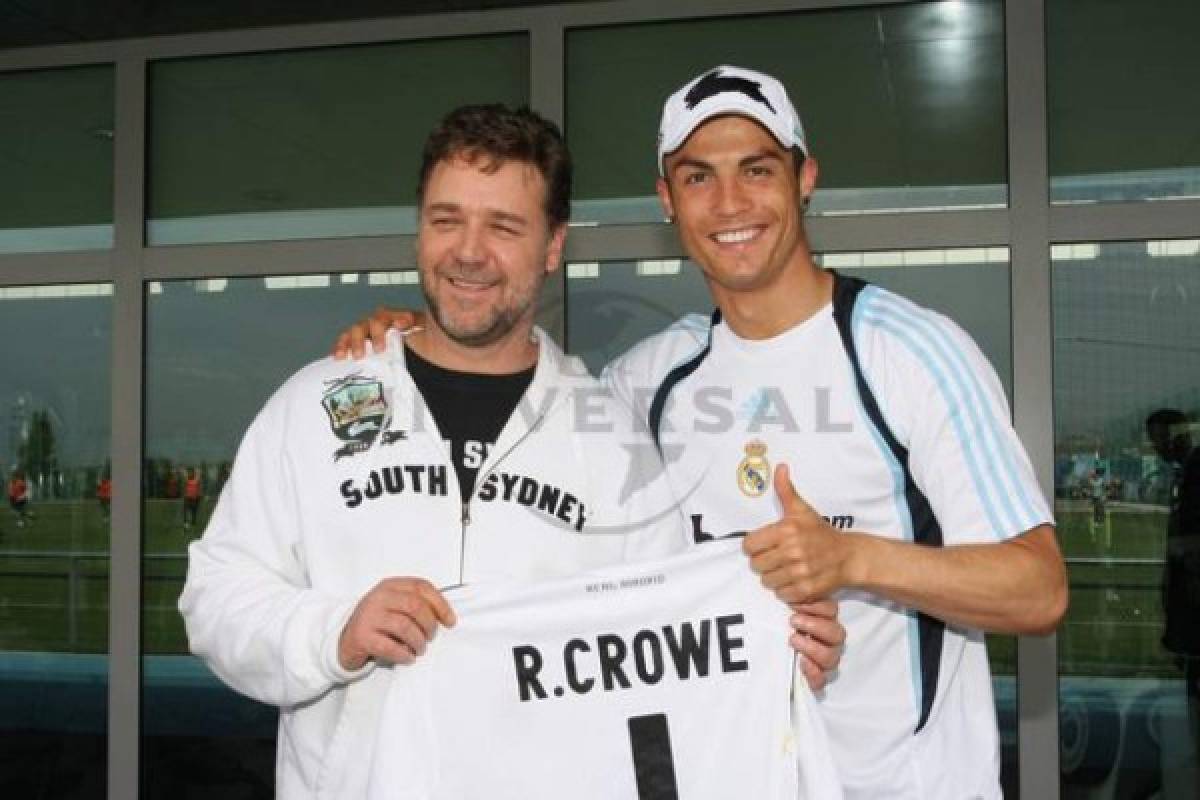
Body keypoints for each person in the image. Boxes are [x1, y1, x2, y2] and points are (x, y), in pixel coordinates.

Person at [335, 66, 1068, 798]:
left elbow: (1037, 588)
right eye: (697, 177)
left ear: (804, 177)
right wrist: (416, 339)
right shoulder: (647, 380)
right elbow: (520, 387)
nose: (729, 203)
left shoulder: (908, 351)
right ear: (667, 201)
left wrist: (850, 558)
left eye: (756, 169)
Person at [180, 104, 836, 799]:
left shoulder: (612, 440)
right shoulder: (315, 407)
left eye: (503, 227)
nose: (468, 251)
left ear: (553, 245)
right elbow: (216, 600)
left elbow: (669, 658)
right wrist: (334, 630)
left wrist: (773, 656)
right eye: (446, 219)